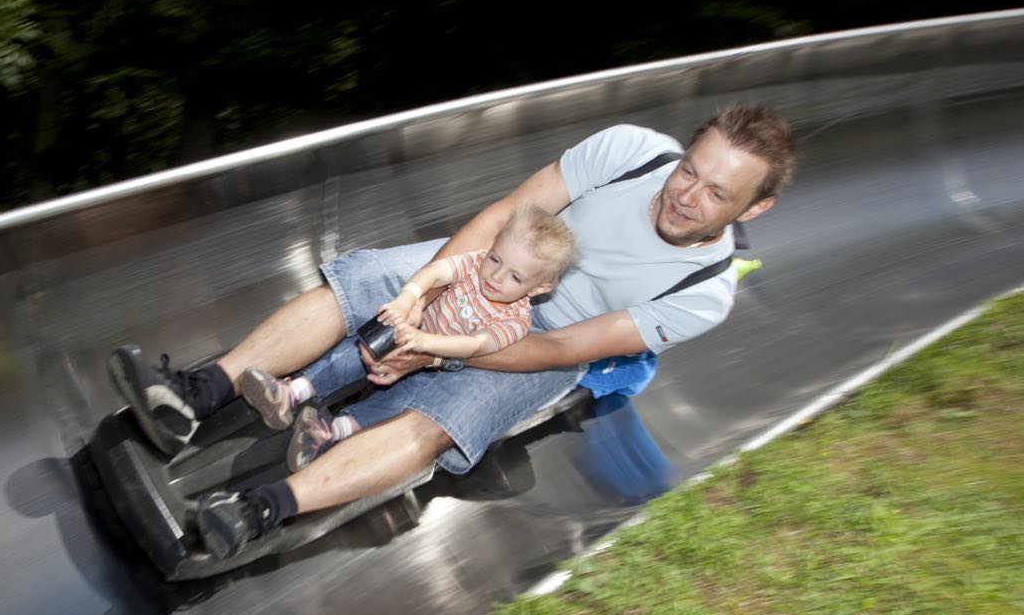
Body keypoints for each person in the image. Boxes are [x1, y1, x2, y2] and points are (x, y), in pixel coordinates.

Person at [107, 104, 799, 558]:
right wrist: (421, 296)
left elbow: (566, 348)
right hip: (498, 267)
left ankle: (262, 509)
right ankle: (196, 392)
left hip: (547, 342)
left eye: (716, 193)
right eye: (691, 171)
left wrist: (443, 348)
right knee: (368, 282)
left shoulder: (703, 294)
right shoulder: (632, 150)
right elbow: (507, 213)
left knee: (440, 423)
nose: (686, 195)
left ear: (756, 208)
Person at [233, 200, 577, 472]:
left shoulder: (516, 320)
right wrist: (408, 298)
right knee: (364, 346)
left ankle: (329, 431)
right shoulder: (475, 265)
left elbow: (476, 346)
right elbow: (437, 271)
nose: (496, 276)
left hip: (439, 365)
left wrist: (426, 348)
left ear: (541, 287)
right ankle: (292, 393)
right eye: (495, 258)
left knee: (400, 405)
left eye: (515, 277)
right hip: (417, 331)